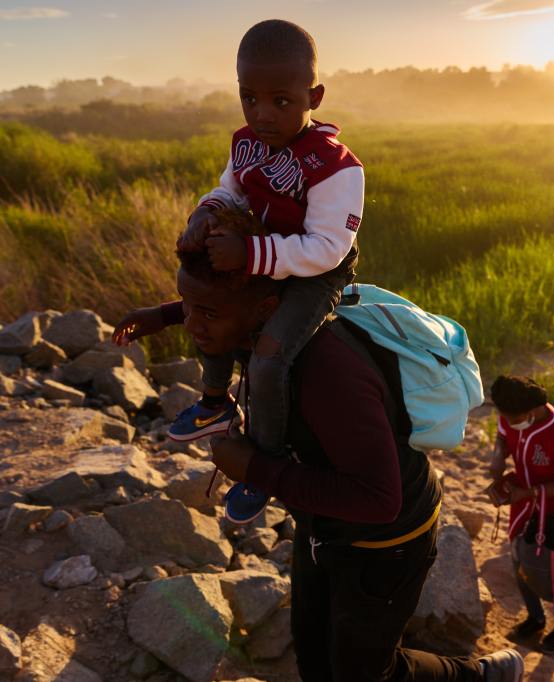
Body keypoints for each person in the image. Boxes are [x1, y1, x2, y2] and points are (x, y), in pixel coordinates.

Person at [171, 239, 523, 681]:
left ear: (265, 309)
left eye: (204, 314)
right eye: (185, 307)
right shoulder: (257, 331)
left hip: (387, 543)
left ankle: (481, 676)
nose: (191, 326)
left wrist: (255, 469)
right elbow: (219, 306)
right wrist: (160, 315)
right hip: (324, 528)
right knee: (316, 659)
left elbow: (380, 500)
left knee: (365, 671)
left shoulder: (325, 371)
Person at [113, 19, 364, 524]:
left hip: (314, 274)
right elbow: (231, 188)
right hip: (260, 251)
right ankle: (214, 401)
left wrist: (251, 256)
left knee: (270, 360)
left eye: (281, 101)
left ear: (313, 96)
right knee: (210, 308)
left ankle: (263, 460)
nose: (262, 114)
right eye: (249, 98)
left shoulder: (337, 167)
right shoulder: (247, 142)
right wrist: (207, 210)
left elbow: (327, 248)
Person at [487, 376, 554, 655]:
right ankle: (535, 618)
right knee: (520, 559)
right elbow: (503, 437)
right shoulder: (512, 415)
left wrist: (529, 493)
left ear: (530, 412)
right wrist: (497, 457)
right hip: (524, 503)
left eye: (512, 417)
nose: (506, 421)